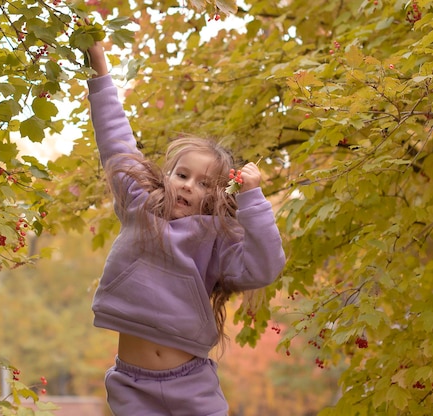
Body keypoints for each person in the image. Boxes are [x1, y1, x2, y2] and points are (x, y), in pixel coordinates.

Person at [85, 42, 286, 416]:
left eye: (205, 183)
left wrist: (253, 198)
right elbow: (115, 140)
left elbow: (266, 267)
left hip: (192, 383)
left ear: (215, 196)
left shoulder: (217, 240)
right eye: (182, 175)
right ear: (167, 177)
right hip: (131, 385)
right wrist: (99, 68)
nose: (189, 186)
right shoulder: (139, 206)